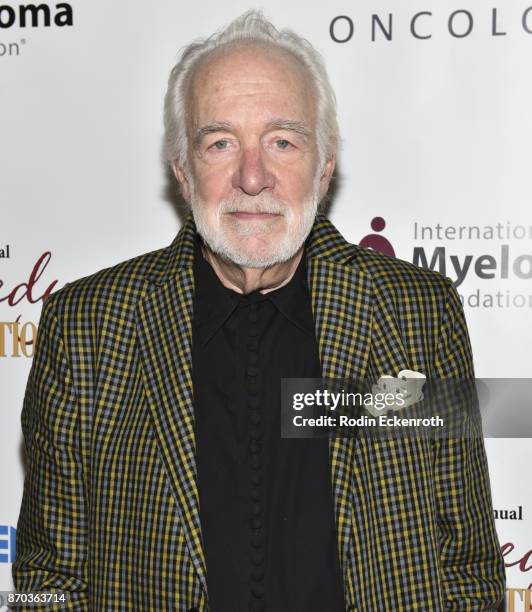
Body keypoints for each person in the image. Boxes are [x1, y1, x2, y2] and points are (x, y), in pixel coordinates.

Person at [12, 9, 506, 612]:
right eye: (220, 142)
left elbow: (468, 565)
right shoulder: (87, 327)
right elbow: (48, 580)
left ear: (324, 169)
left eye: (283, 141)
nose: (252, 177)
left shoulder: (417, 316)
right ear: (183, 172)